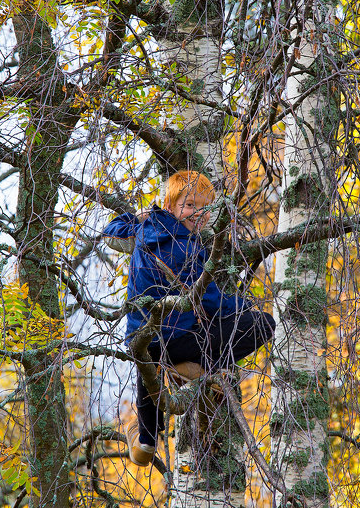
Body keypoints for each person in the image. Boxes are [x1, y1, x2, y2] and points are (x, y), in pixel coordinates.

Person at [103, 170, 276, 467]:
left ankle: (146, 439)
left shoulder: (144, 231)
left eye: (204, 207)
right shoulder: (186, 246)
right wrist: (245, 306)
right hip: (177, 340)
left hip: (141, 340)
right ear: (171, 207)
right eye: (190, 205)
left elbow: (111, 232)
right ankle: (192, 368)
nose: (199, 213)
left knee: (150, 372)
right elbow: (208, 299)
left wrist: (143, 216)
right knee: (263, 324)